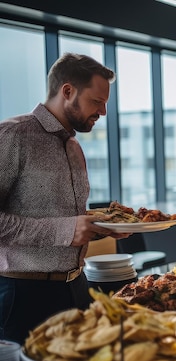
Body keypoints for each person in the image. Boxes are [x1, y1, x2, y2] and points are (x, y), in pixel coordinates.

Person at [0, 53, 128, 344]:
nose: (104, 112)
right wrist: (67, 230)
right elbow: (65, 229)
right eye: (97, 101)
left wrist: (101, 229)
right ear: (67, 91)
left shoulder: (74, 146)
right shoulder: (12, 135)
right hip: (23, 296)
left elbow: (70, 225)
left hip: (76, 289)